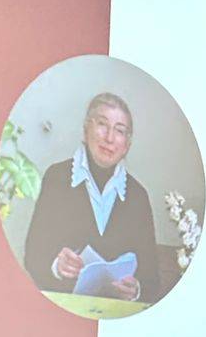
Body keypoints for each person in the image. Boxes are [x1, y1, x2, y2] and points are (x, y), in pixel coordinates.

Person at [23, 92, 159, 304]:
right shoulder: (57, 177)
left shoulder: (138, 196)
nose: (109, 138)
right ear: (86, 130)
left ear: (127, 144)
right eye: (102, 124)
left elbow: (151, 277)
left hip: (115, 316)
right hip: (63, 309)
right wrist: (57, 266)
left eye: (120, 130)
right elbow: (33, 255)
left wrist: (136, 290)